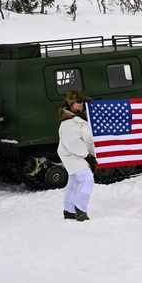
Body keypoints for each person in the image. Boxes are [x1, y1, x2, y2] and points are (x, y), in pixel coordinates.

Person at [58, 89, 96, 221]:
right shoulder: (68, 122)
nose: (81, 104)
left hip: (79, 154)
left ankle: (69, 210)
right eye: (78, 101)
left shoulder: (79, 118)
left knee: (75, 181)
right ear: (70, 103)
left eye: (82, 101)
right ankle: (80, 210)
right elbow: (73, 143)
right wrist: (89, 157)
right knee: (86, 178)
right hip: (72, 155)